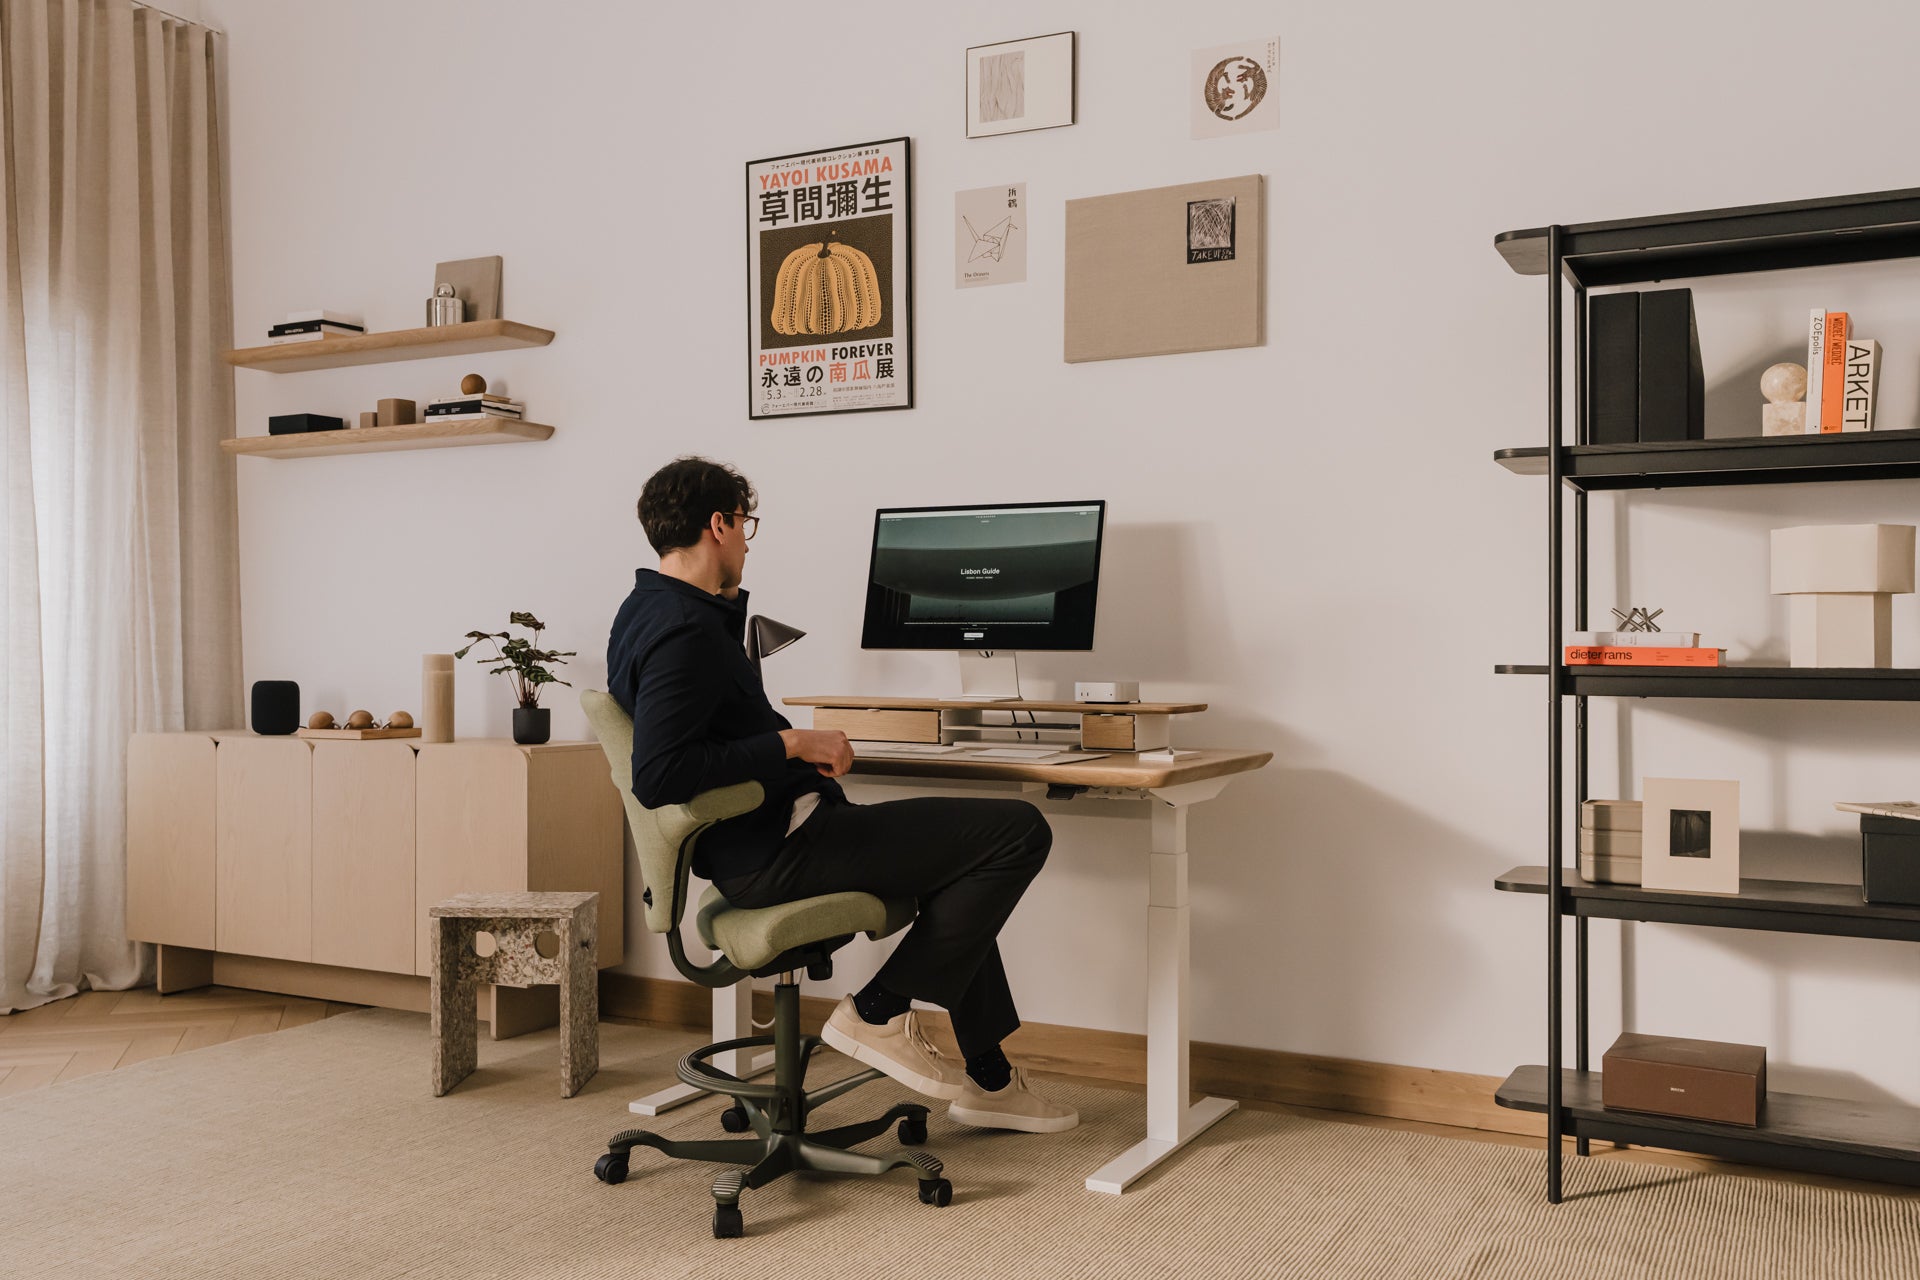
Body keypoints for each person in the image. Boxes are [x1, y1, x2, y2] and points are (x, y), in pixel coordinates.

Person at [607, 456, 1076, 1134]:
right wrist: (794, 745)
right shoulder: (684, 631)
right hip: (779, 851)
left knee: (956, 861)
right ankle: (878, 1012)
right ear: (719, 524)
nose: (746, 541)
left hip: (768, 840)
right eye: (745, 526)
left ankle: (991, 1082)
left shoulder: (651, 608)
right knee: (1019, 831)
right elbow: (659, 772)